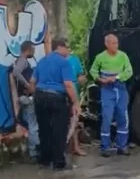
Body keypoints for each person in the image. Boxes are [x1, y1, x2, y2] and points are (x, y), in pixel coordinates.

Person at [31, 38, 80, 171]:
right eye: (67, 47)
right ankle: (58, 162)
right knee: (59, 129)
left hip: (40, 97)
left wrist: (37, 95)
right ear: (59, 47)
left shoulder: (41, 61)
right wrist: (75, 103)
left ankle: (45, 160)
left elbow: (32, 82)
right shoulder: (64, 63)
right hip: (57, 97)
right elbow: (69, 85)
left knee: (44, 129)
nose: (68, 51)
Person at [89, 33, 133, 157]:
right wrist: (99, 79)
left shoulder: (123, 56)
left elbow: (129, 71)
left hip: (120, 88)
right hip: (107, 90)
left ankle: (122, 146)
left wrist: (117, 77)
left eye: (117, 43)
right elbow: (93, 70)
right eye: (113, 43)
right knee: (106, 117)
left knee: (123, 117)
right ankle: (105, 147)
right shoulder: (100, 57)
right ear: (106, 44)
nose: (116, 45)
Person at [12, 41, 39, 161]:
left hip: (21, 97)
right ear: (28, 49)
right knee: (33, 124)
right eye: (33, 49)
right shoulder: (22, 60)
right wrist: (28, 84)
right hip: (26, 97)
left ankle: (29, 150)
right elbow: (16, 72)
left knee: (26, 123)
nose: (34, 51)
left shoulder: (19, 60)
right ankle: (34, 152)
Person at [68, 50, 87, 156]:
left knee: (74, 121)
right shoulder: (57, 60)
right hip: (61, 94)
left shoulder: (74, 59)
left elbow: (80, 74)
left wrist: (81, 79)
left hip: (74, 94)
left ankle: (75, 147)